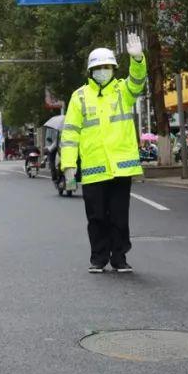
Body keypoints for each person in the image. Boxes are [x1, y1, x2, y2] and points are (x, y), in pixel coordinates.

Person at [60, 33, 147, 274]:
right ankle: (98, 258)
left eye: (107, 67)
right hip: (94, 169)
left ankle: (119, 258)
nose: (103, 71)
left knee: (119, 216)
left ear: (113, 69)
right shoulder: (78, 97)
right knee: (96, 217)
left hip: (121, 167)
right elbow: (69, 133)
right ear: (90, 71)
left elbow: (138, 82)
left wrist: (138, 59)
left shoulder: (122, 91)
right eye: (98, 68)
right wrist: (68, 165)